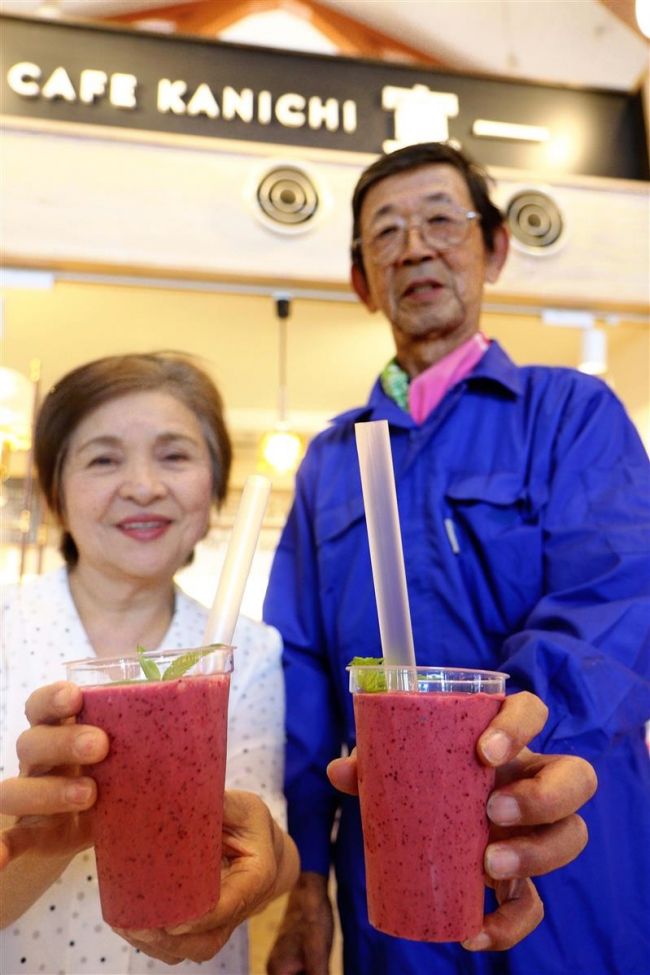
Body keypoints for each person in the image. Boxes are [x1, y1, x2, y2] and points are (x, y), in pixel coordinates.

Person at [263, 142, 650, 975]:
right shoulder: (333, 461)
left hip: (557, 840)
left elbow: (613, 601)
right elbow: (299, 676)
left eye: (442, 218)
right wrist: (308, 877)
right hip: (394, 867)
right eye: (385, 233)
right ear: (363, 280)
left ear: (496, 247)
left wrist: (508, 748)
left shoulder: (573, 414)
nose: (414, 246)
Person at [0, 352, 299, 975]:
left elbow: (266, 844)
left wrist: (269, 863)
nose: (142, 485)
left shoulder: (254, 649)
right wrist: (41, 838)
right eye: (103, 458)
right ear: (54, 491)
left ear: (214, 486)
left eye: (175, 454)